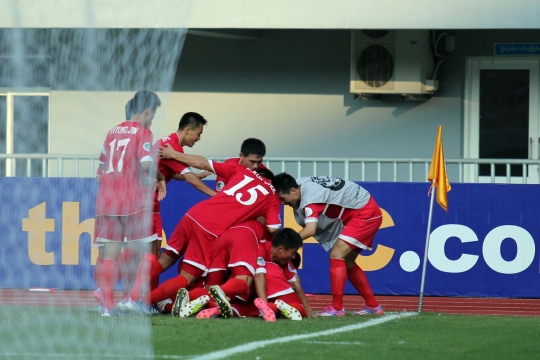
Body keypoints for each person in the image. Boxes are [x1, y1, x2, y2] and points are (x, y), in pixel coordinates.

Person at [139, 151, 282, 310]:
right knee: (187, 278)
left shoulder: (241, 170)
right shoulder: (272, 197)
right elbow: (273, 227)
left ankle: (132, 297)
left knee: (163, 261)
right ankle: (147, 301)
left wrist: (174, 155)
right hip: (210, 229)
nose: (254, 166)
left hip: (193, 214)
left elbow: (203, 163)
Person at [127, 112, 216, 305]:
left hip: (140, 203)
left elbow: (172, 172)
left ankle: (138, 299)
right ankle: (141, 301)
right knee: (152, 257)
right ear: (188, 130)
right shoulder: (172, 148)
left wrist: (197, 176)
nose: (199, 138)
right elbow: (189, 178)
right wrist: (218, 197)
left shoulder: (167, 144)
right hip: (147, 205)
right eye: (198, 133)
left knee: (145, 256)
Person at [93, 90, 165, 316]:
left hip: (107, 201)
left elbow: (100, 172)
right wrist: (160, 178)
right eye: (152, 114)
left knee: (110, 254)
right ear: (147, 111)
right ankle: (132, 299)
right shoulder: (143, 132)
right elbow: (145, 165)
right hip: (131, 202)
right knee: (144, 250)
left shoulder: (111, 132)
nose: (152, 118)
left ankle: (107, 306)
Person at [273, 173, 384, 317]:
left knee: (336, 255)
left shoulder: (309, 200)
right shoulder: (300, 184)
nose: (282, 203)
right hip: (365, 207)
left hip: (365, 213)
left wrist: (286, 242)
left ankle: (337, 309)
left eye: (283, 198)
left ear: (293, 191)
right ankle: (373, 306)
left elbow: (310, 229)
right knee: (348, 261)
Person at [194, 228, 311, 321]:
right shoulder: (261, 250)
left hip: (242, 291)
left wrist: (309, 309)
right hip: (246, 284)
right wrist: (265, 306)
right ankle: (274, 307)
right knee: (300, 309)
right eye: (293, 252)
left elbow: (297, 284)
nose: (294, 257)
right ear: (280, 249)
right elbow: (260, 276)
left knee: (247, 308)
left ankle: (213, 307)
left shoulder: (282, 260)